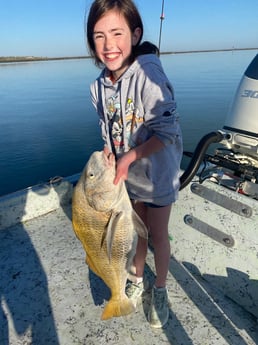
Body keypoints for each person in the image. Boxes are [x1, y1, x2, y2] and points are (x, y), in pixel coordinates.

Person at [86, 0, 183, 328]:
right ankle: (137, 278)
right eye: (99, 36)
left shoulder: (148, 73)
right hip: (131, 179)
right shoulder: (98, 87)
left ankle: (159, 288)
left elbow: (167, 131)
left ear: (135, 34)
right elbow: (109, 130)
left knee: (158, 234)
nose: (109, 44)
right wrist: (112, 152)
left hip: (159, 175)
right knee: (138, 234)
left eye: (117, 33)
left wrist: (130, 155)